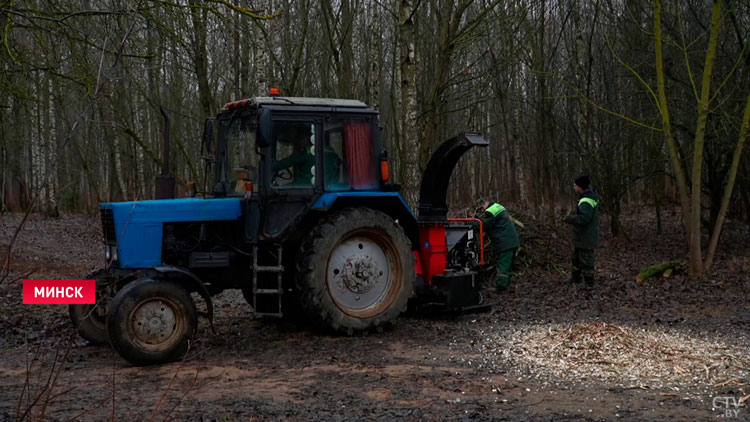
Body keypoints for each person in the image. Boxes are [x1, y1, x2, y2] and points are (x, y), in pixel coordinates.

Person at [473, 199, 520, 292]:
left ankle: (501, 287)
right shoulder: (498, 206)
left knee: (503, 265)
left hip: (505, 242)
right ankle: (511, 286)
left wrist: (472, 223)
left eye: (482, 207)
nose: (483, 210)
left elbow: (484, 225)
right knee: (509, 265)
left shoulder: (490, 211)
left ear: (486, 203)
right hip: (512, 240)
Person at [564, 175, 600, 287]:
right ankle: (576, 277)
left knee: (586, 258)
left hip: (586, 235)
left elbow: (584, 219)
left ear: (581, 187)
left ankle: (589, 282)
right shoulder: (588, 197)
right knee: (576, 257)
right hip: (582, 235)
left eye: (575, 185)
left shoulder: (586, 200)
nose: (574, 187)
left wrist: (569, 218)